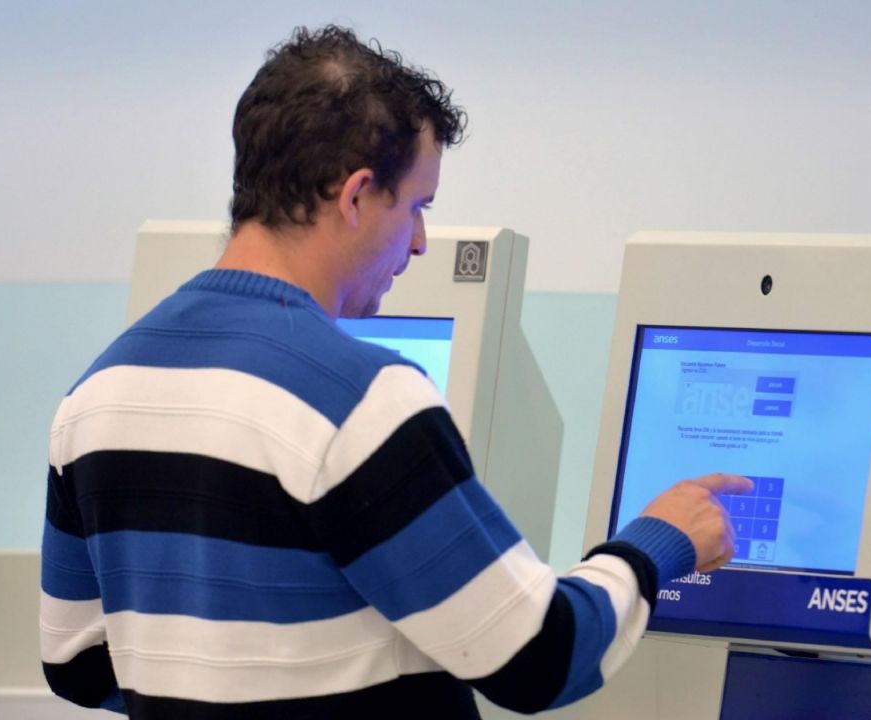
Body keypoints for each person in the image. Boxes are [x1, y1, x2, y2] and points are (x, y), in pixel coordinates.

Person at [39, 24, 750, 718]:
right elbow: (541, 657)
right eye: (415, 207)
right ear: (354, 196)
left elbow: (77, 661)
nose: (419, 242)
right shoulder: (363, 397)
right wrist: (660, 541)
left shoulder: (95, 394)